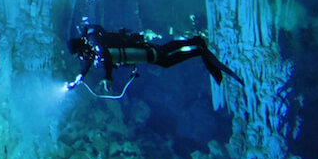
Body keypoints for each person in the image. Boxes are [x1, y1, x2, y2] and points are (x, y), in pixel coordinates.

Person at [66, 18, 231, 96]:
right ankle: (196, 47)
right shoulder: (88, 51)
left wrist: (109, 77)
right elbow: (86, 64)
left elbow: (106, 56)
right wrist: (79, 78)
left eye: (79, 53)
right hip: (131, 54)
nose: (81, 56)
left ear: (80, 46)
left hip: (133, 47)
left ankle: (196, 44)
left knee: (163, 52)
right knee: (164, 58)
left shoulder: (93, 41)